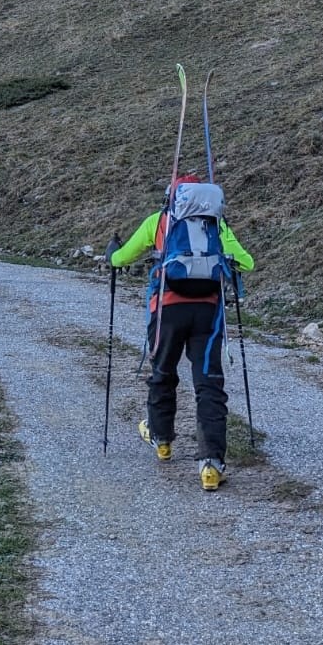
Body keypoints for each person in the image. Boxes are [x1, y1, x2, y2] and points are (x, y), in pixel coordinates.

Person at [107, 174, 254, 491]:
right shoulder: (216, 225)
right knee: (208, 383)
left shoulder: (159, 221)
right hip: (208, 312)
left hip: (167, 310)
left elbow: (121, 259)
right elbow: (247, 263)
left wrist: (112, 253)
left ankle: (162, 440)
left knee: (163, 372)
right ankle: (211, 465)